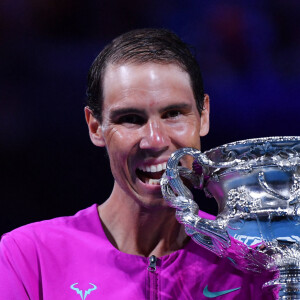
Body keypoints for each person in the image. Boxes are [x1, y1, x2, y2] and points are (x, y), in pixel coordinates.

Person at [0, 28, 276, 299]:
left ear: (203, 117)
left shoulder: (254, 262)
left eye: (173, 113)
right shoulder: (28, 256)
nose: (155, 141)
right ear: (96, 127)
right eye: (130, 118)